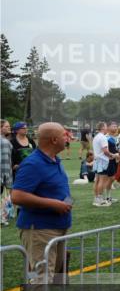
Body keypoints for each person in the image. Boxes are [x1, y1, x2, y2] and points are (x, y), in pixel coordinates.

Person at [11, 122, 73, 282]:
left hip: (57, 226)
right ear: (54, 140)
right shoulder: (33, 163)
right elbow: (17, 196)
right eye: (64, 135)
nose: (68, 138)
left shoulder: (54, 159)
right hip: (40, 229)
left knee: (54, 276)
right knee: (42, 279)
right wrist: (53, 204)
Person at [91, 122, 112, 207]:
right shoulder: (103, 137)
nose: (107, 127)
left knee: (97, 180)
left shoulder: (96, 137)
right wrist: (112, 155)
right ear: (103, 127)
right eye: (106, 126)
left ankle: (96, 199)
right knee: (102, 181)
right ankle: (100, 200)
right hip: (102, 160)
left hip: (97, 160)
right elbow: (105, 150)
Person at [1, 120, 12, 226]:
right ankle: (2, 218)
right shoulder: (4, 142)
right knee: (3, 197)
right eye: (6, 126)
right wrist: (5, 177)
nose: (9, 128)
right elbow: (4, 161)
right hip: (3, 174)